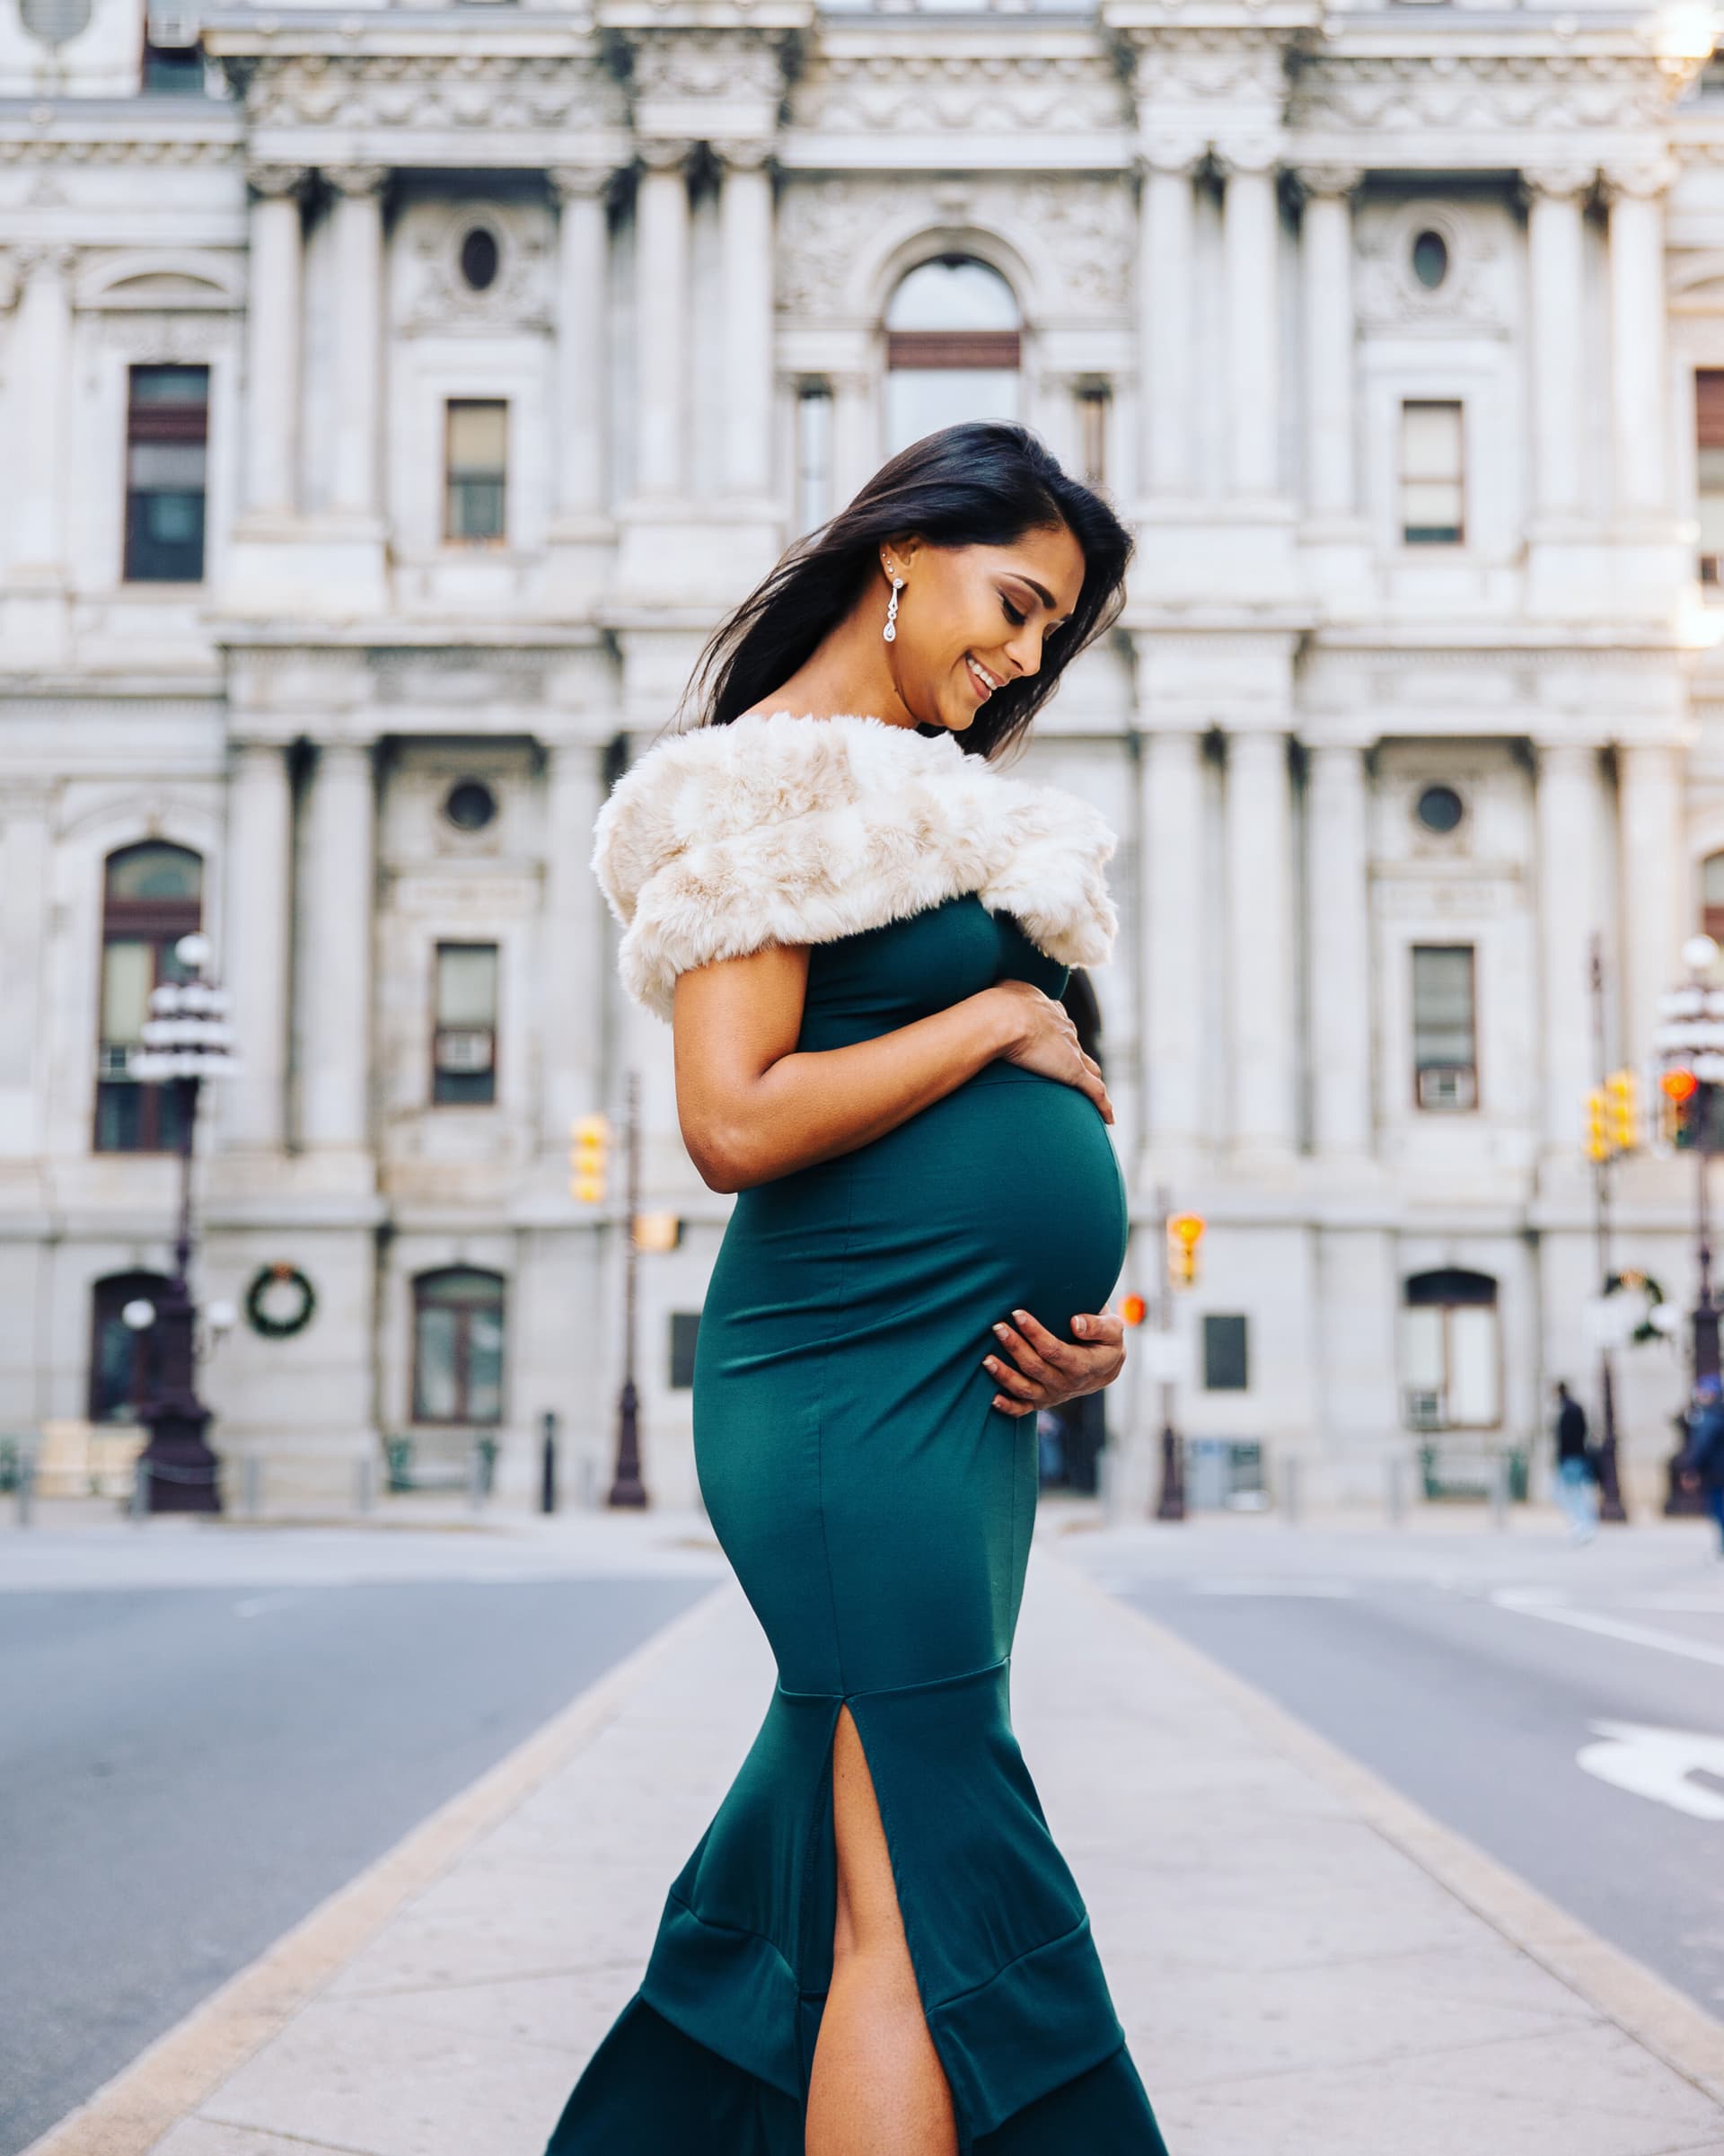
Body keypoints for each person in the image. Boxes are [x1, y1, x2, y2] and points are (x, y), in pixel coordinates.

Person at [542, 422, 1170, 2154]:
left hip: (958, 1406)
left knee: (835, 1871)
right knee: (930, 1889)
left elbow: (991, 1135)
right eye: (1017, 602)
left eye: (1058, 634)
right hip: (834, 1396)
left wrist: (1085, 1337)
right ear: (903, 550)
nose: (1027, 657)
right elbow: (732, 1119)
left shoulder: (943, 807)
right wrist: (993, 1020)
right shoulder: (763, 787)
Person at [1678, 1372, 1724, 1558]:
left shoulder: (1709, 1418)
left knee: (1718, 1508)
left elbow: (1701, 1446)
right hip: (1716, 1471)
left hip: (1717, 1472)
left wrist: (1690, 1468)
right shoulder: (1712, 1415)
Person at [1551, 1380, 1597, 1545]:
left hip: (1570, 1457)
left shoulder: (1569, 1410)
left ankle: (1583, 1524)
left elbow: (1567, 1437)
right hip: (1576, 1456)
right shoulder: (1574, 1408)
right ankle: (1583, 1524)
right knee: (1573, 1492)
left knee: (1572, 1492)